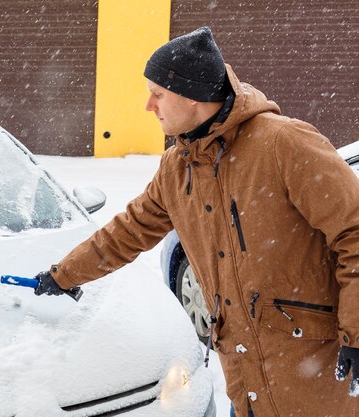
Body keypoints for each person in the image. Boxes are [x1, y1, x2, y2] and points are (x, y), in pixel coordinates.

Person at [33, 27, 358, 417]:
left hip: (312, 372)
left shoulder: (283, 144)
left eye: (158, 94)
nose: (149, 106)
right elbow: (129, 230)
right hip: (246, 379)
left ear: (192, 97)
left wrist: (357, 333)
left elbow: (353, 233)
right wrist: (63, 275)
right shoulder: (178, 166)